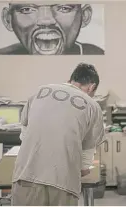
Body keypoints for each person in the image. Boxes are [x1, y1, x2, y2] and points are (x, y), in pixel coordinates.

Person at [11, 63, 105, 206]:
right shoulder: (92, 105)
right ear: (91, 87)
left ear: (70, 80)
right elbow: (88, 150)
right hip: (63, 181)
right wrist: (83, 168)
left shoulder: (39, 92)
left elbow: (24, 133)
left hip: (26, 174)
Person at [0, 3, 104, 55]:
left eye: (64, 8)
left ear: (85, 16)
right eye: (27, 9)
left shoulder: (97, 54)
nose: (46, 20)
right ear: (8, 19)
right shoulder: (2, 55)